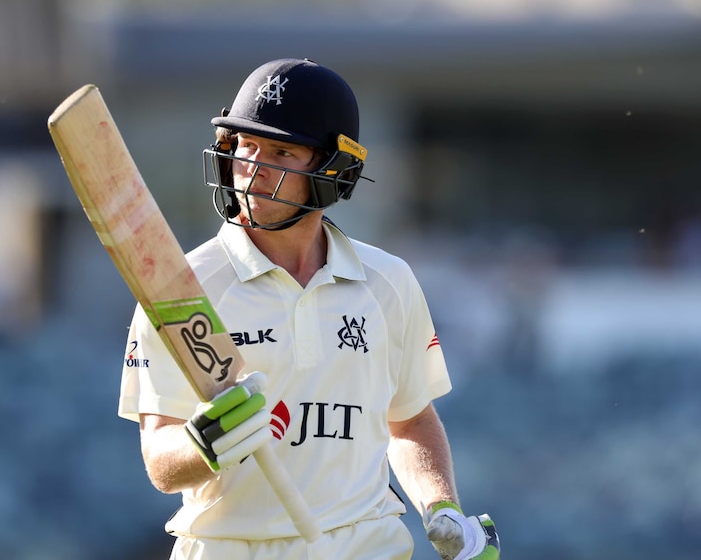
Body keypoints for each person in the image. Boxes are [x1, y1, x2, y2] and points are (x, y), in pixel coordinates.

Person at [118, 58, 500, 560]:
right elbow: (159, 461)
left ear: (332, 170)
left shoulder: (389, 283)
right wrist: (207, 444)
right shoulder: (182, 291)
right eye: (246, 146)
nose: (252, 167)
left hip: (366, 545)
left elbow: (409, 422)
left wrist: (441, 506)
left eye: (281, 151)